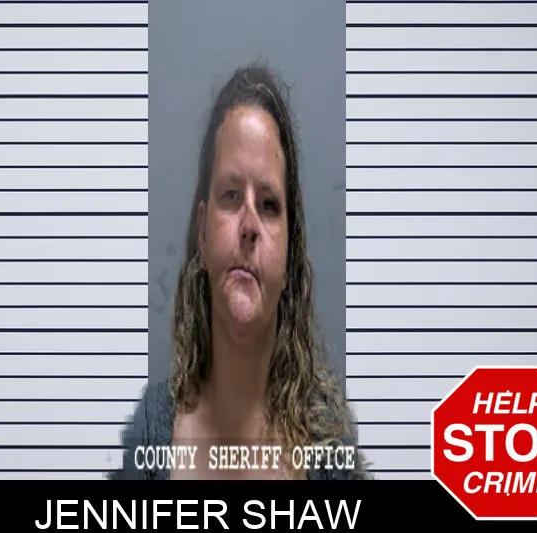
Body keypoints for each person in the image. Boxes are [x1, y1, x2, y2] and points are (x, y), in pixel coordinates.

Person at [110, 63, 371, 480]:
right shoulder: (147, 438)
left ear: (289, 251)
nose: (249, 225)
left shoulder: (331, 458)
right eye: (231, 195)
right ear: (202, 231)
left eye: (268, 205)